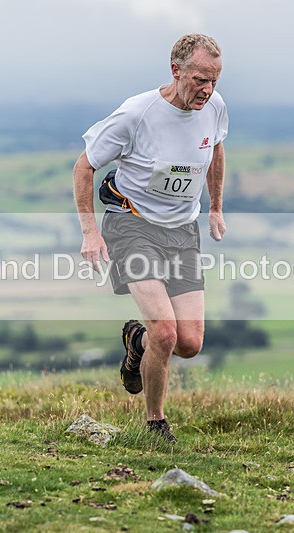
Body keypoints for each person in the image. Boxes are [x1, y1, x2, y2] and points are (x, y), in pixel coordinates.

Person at [73, 33, 228, 444]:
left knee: (190, 343)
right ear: (175, 71)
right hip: (132, 225)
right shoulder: (137, 114)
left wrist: (215, 206)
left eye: (214, 80)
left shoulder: (214, 108)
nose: (207, 90)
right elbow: (84, 166)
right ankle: (155, 424)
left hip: (181, 232)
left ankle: (135, 341)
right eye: (199, 79)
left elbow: (215, 149)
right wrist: (90, 232)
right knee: (166, 333)